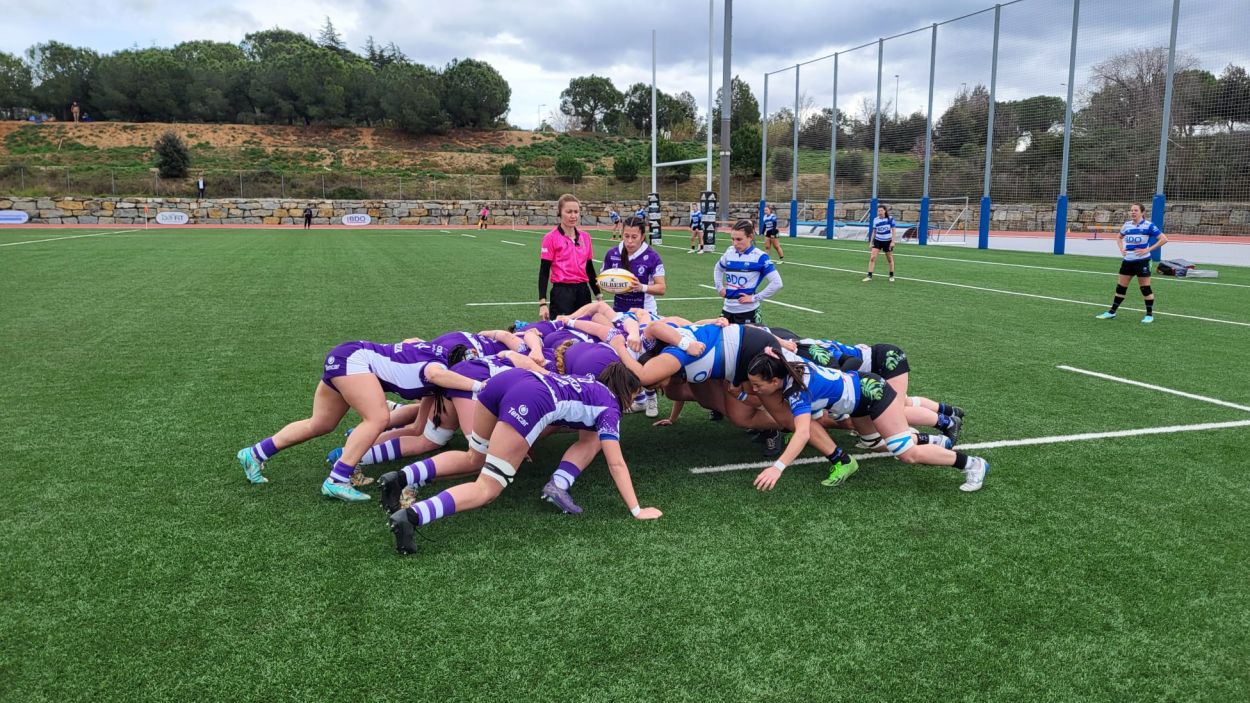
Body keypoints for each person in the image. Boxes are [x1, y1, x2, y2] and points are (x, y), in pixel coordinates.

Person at [386, 366, 662, 555]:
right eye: (636, 394)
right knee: (487, 489)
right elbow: (616, 463)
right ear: (626, 390)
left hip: (510, 380)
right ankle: (412, 516)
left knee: (474, 458)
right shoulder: (610, 408)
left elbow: (583, 431)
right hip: (532, 399)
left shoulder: (589, 382)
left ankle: (400, 478)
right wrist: (637, 509)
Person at [235, 340, 483, 502]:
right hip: (353, 360)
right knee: (377, 418)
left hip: (346, 355)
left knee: (320, 424)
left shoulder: (431, 351)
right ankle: (337, 480)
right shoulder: (436, 368)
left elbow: (411, 342)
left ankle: (256, 453)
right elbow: (433, 373)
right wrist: (478, 385)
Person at [745, 350, 989, 492]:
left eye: (758, 385)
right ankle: (935, 441)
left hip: (872, 393)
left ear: (776, 381)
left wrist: (777, 468)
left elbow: (802, 433)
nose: (755, 390)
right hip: (859, 398)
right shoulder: (787, 364)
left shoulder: (797, 391)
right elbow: (777, 350)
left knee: (906, 453)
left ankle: (973, 464)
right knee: (872, 442)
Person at [1096, 203, 1168, 324]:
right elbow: (1119, 237)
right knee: (1120, 288)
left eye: (1135, 210)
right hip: (1128, 261)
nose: (1133, 212)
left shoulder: (1148, 225)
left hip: (1143, 261)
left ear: (1142, 212)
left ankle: (1149, 315)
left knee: (1145, 288)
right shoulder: (1127, 225)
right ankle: (1111, 312)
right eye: (1131, 210)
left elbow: (1164, 239)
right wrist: (1121, 249)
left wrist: (1148, 250)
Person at [538, 194, 602, 321]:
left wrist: (598, 295)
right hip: (562, 292)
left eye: (576, 212)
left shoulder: (585, 237)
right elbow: (544, 272)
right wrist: (542, 303)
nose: (573, 216)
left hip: (583, 291)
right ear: (559, 213)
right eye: (569, 212)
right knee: (562, 332)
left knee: (584, 329)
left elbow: (589, 268)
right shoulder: (550, 238)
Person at [713, 219, 783, 325]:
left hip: (748, 312)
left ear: (750, 237)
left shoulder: (760, 257)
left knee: (748, 342)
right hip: (727, 311)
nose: (735, 243)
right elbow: (718, 268)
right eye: (732, 239)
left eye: (739, 239)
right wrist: (719, 287)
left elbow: (777, 283)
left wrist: (755, 298)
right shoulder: (730, 252)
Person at [603, 215, 666, 318]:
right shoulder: (612, 254)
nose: (630, 241)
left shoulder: (652, 257)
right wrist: (608, 284)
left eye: (634, 237)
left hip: (645, 313)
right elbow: (603, 280)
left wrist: (641, 287)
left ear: (642, 237)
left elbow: (661, 288)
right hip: (618, 312)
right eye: (626, 236)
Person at [863, 205, 895, 282]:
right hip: (877, 241)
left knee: (890, 259)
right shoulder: (875, 220)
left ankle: (891, 275)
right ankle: (869, 276)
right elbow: (874, 232)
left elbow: (894, 230)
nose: (880, 212)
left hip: (887, 241)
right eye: (879, 211)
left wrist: (893, 241)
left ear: (885, 211)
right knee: (872, 257)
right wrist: (871, 242)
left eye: (881, 210)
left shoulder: (890, 219)